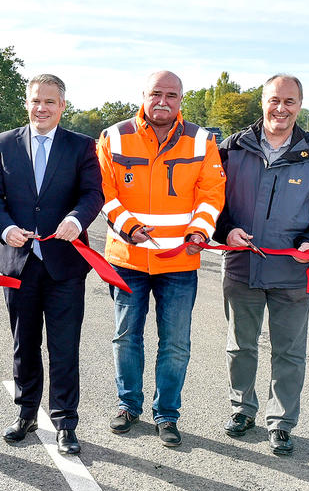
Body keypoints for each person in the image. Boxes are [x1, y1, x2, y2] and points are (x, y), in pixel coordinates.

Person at [215, 74, 309, 456]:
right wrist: (227, 229)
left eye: (290, 101)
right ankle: (242, 410)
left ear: (299, 106)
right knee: (240, 346)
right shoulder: (231, 147)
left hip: (292, 271)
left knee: (289, 351)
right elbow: (210, 200)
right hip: (242, 266)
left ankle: (282, 422)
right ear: (263, 102)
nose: (281, 108)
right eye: (275, 100)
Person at [97, 70, 226, 449]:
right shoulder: (114, 137)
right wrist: (129, 227)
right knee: (126, 337)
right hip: (128, 258)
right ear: (143, 95)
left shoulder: (202, 141)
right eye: (156, 93)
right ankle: (127, 405)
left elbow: (212, 192)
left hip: (180, 262)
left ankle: (167, 414)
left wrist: (201, 231)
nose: (163, 101)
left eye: (171, 95)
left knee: (175, 343)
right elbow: (104, 190)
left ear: (180, 99)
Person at [0, 75, 103, 455]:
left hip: (64, 265)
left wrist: (77, 220)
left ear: (62, 106)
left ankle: (65, 421)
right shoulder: (3, 144)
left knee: (64, 346)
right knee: (24, 344)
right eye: (35, 101)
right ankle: (26, 414)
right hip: (18, 265)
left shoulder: (82, 146)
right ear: (27, 103)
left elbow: (93, 193)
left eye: (50, 101)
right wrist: (5, 229)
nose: (41, 108)